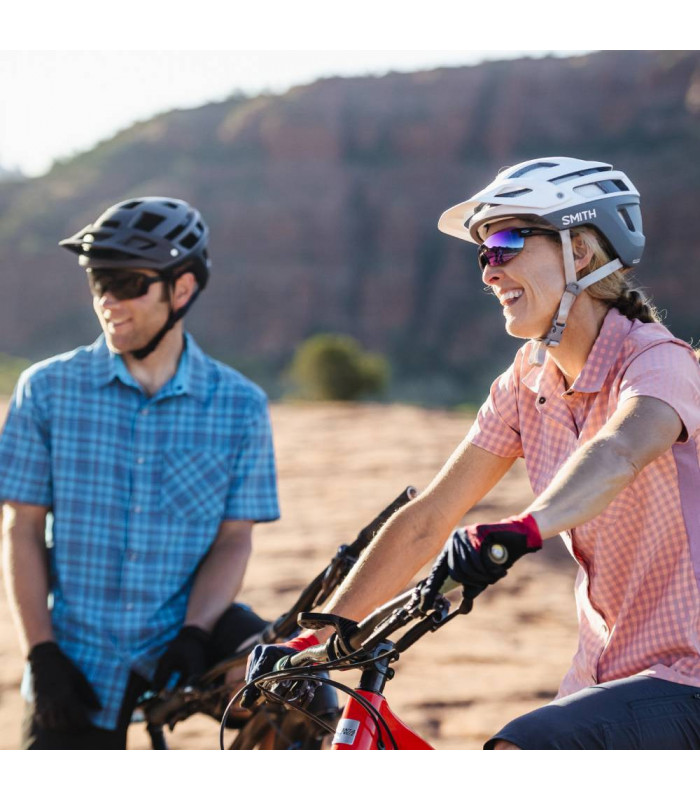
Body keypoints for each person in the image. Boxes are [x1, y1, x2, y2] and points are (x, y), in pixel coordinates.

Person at [245, 156, 700, 749]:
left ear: (581, 251)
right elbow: (431, 515)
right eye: (483, 253)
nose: (489, 270)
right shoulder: (526, 381)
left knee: (520, 751)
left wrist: (521, 529)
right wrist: (319, 634)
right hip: (600, 679)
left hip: (687, 677)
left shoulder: (658, 361)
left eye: (506, 243)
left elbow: (619, 450)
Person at [0, 197, 280, 749]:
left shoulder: (240, 405)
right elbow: (22, 529)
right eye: (98, 281)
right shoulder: (46, 390)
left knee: (296, 693)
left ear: (183, 289)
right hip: (77, 652)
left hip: (184, 631)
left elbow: (234, 539)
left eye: (128, 283)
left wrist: (196, 632)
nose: (108, 300)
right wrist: (41, 653)